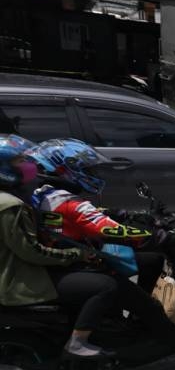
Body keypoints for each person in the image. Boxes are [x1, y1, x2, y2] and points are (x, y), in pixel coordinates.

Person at [29, 139, 175, 370]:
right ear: (65, 169)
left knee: (153, 260)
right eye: (86, 169)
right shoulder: (70, 203)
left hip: (67, 261)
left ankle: (135, 321)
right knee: (149, 306)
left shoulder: (44, 195)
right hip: (82, 264)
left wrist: (120, 213)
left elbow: (89, 217)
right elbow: (106, 228)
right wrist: (154, 236)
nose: (91, 173)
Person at [0, 135, 100, 351]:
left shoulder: (12, 197)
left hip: (13, 271)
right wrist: (77, 254)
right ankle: (78, 343)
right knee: (104, 286)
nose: (29, 165)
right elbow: (32, 251)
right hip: (17, 280)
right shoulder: (11, 205)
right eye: (19, 161)